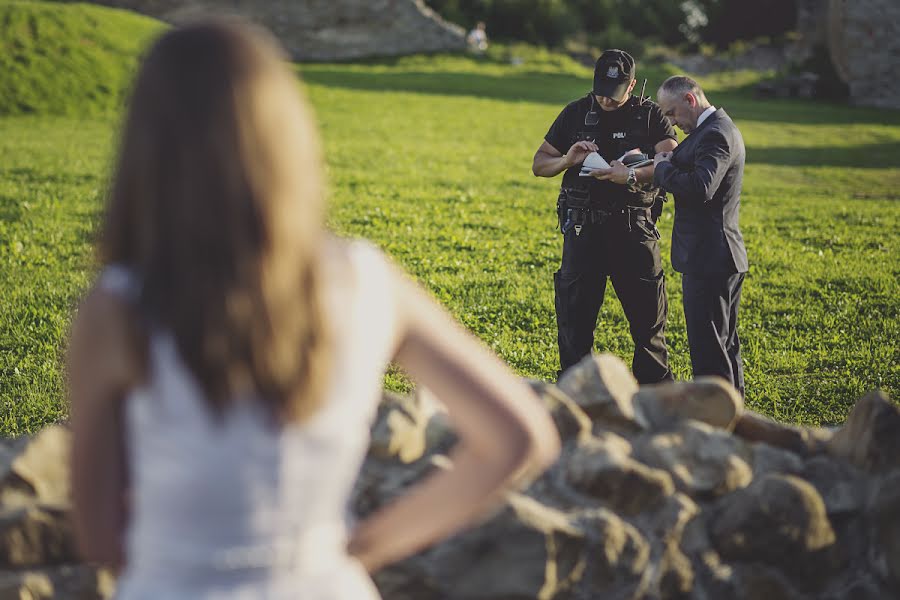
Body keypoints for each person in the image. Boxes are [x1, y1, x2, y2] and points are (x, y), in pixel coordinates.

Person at [67, 20, 560, 599]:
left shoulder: (118, 309)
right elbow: (519, 435)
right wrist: (364, 548)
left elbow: (99, 537)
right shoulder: (365, 280)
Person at [531, 49, 678, 383]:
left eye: (615, 94)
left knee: (649, 328)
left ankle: (655, 397)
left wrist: (631, 173)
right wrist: (567, 160)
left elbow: (671, 162)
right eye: (601, 92)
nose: (606, 100)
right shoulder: (576, 113)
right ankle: (574, 398)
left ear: (633, 86)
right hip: (584, 229)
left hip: (634, 230)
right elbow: (540, 164)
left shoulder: (651, 115)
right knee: (574, 326)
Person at [653, 75, 749, 396]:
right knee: (725, 346)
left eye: (671, 113)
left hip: (710, 259)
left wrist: (660, 168)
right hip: (718, 255)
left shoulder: (716, 134)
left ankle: (716, 425)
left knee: (710, 353)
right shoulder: (711, 130)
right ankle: (734, 419)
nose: (671, 122)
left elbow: (700, 187)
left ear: (690, 100)